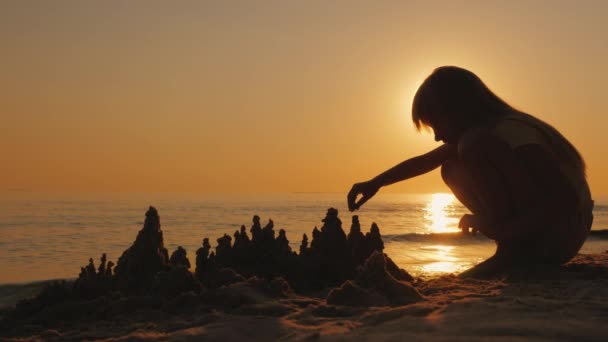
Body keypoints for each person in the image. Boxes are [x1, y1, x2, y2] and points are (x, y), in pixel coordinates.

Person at [347, 66, 593, 277]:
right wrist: (375, 183)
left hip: (562, 231)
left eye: (437, 125)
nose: (437, 137)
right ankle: (514, 247)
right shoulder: (492, 132)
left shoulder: (513, 132)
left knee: (472, 144)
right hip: (549, 231)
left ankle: (511, 248)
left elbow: (566, 199)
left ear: (460, 109)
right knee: (451, 167)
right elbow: (424, 162)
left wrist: (502, 230)